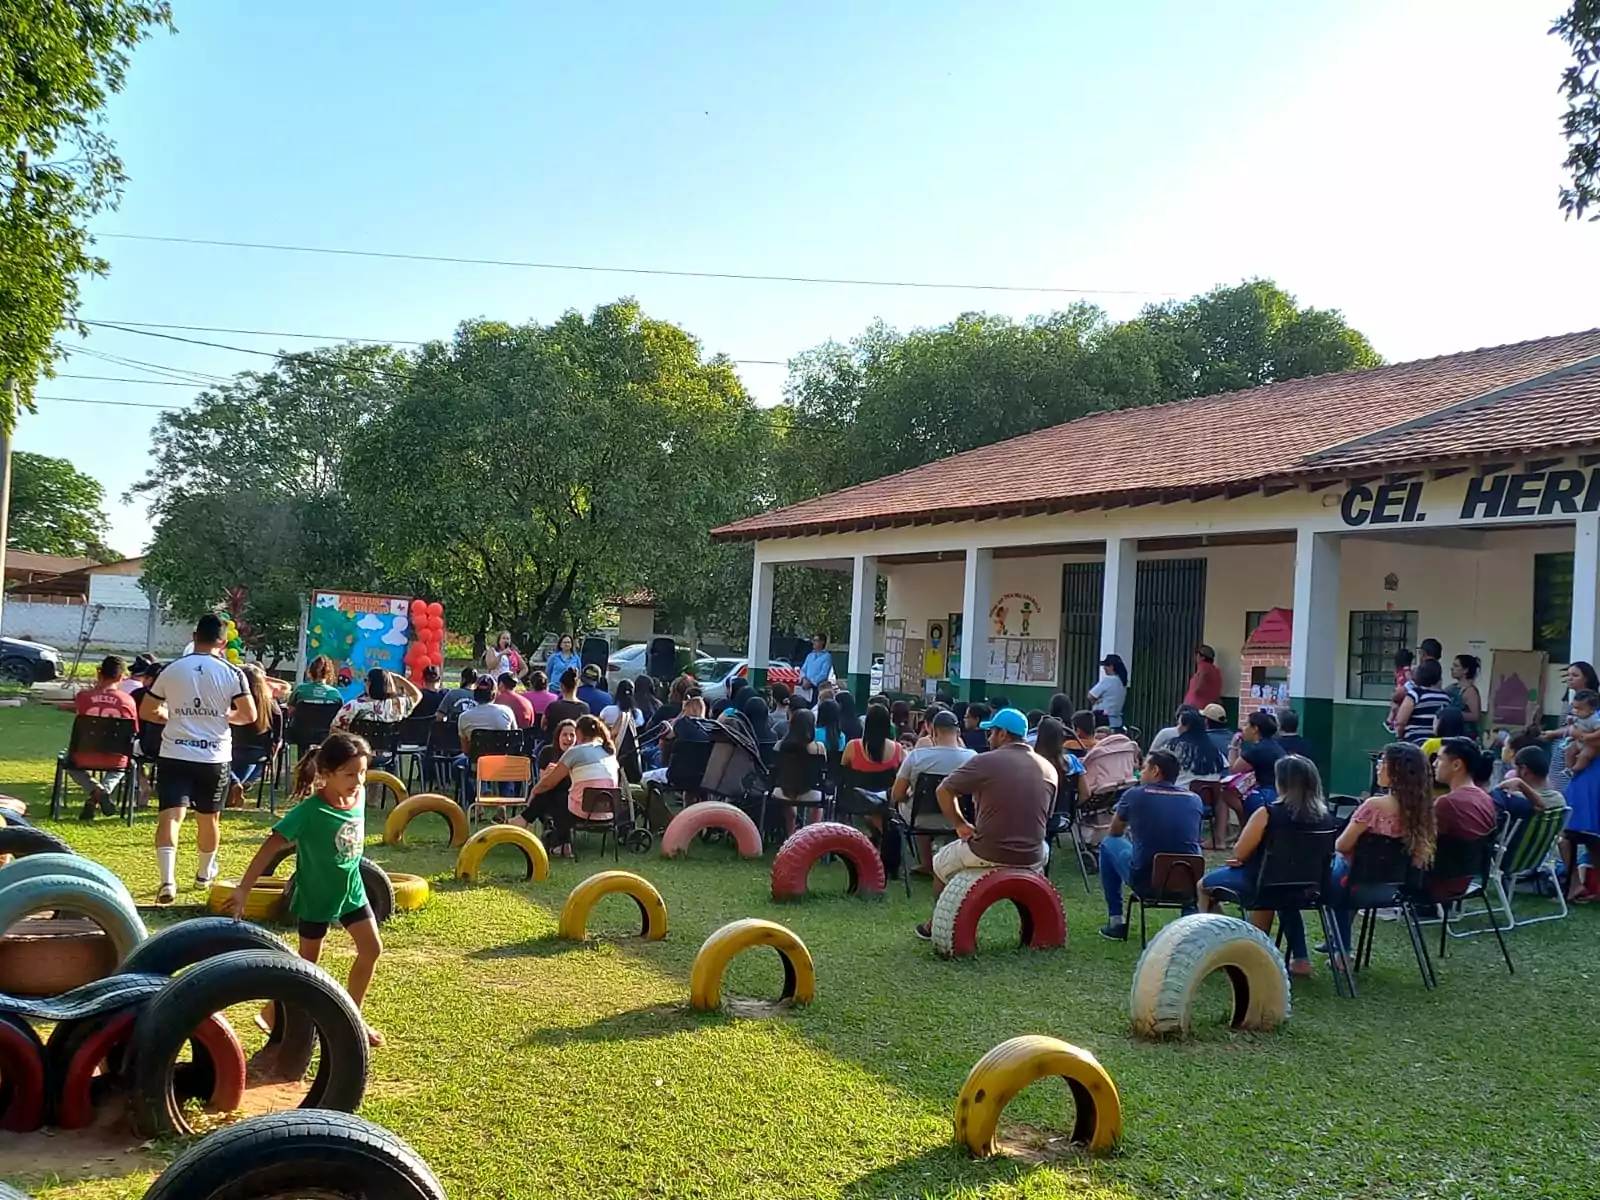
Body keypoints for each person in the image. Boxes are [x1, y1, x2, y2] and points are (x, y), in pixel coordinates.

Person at [227, 732, 385, 1047]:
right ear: (326, 774)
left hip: (351, 889)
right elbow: (268, 848)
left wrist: (358, 782)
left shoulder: (359, 796)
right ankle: (273, 1014)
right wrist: (244, 889)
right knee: (306, 965)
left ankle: (353, 1017)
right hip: (316, 895)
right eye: (350, 774)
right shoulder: (310, 811)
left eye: (363, 772)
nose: (358, 780)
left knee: (372, 949)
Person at [140, 614, 258, 904]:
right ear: (224, 641)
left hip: (175, 752)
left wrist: (170, 714)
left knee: (170, 816)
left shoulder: (171, 669)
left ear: (194, 636)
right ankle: (204, 874)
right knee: (209, 819)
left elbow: (147, 710)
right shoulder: (232, 673)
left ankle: (167, 880)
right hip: (213, 755)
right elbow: (249, 715)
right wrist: (223, 716)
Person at [912, 708, 1056, 941]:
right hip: (1034, 853)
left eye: (992, 732)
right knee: (1038, 860)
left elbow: (944, 790)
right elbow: (1045, 815)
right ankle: (1030, 928)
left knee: (939, 864)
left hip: (987, 849)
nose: (989, 738)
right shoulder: (1049, 768)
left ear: (1003, 734)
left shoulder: (985, 761)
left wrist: (960, 823)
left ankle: (934, 924)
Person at [1199, 754, 1334, 977]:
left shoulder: (1268, 813)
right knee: (1285, 894)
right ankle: (1300, 959)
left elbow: (1240, 851)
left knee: (1203, 886)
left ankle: (1228, 943)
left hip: (1263, 883)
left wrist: (1245, 858)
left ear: (1282, 782)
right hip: (1308, 887)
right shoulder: (1326, 818)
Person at [1325, 742, 1436, 965]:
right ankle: (1337, 942)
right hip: (1395, 890)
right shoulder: (1422, 810)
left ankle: (1341, 951)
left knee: (1335, 874)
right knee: (1349, 875)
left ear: (1396, 770)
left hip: (1355, 889)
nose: (1377, 767)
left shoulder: (1374, 806)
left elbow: (1342, 845)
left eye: (1382, 762)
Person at [1095, 749, 1203, 941]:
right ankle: (1190, 921)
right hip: (1187, 881)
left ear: (1155, 771)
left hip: (1147, 881)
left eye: (1144, 767)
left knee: (1108, 843)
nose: (1140, 772)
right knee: (1188, 848)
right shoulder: (1194, 799)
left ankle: (1116, 922)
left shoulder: (1134, 795)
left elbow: (1115, 832)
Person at [524, 715, 625, 858]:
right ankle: (562, 844)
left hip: (583, 812)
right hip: (608, 813)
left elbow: (548, 783)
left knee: (556, 795)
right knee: (561, 796)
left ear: (579, 733)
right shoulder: (609, 752)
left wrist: (533, 792)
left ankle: (527, 823)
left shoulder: (576, 752)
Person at [891, 709, 977, 871]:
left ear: (933, 730)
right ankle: (952, 862)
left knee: (912, 804)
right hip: (959, 820)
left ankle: (927, 863)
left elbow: (897, 794)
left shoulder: (916, 756)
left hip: (920, 818)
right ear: (958, 732)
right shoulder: (972, 758)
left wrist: (910, 796)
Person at [65, 655, 139, 821]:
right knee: (122, 767)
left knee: (70, 766)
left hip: (83, 755)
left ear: (99, 673)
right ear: (121, 677)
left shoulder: (83, 697)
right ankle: (102, 792)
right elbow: (133, 732)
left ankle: (96, 792)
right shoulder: (128, 701)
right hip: (116, 758)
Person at [1430, 736, 1499, 898]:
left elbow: (1424, 841)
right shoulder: (1485, 798)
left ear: (1456, 765)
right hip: (1467, 879)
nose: (1434, 764)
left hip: (1437, 882)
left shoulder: (1447, 803)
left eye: (1439, 759)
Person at [514, 718, 579, 846]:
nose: (568, 739)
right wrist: (552, 773)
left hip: (573, 797)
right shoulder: (548, 752)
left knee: (559, 796)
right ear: (558, 737)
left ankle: (523, 819)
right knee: (555, 793)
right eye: (565, 735)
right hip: (553, 794)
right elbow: (545, 783)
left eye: (572, 735)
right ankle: (563, 843)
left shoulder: (579, 754)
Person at [227, 663, 283, 809]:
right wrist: (271, 756)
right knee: (256, 765)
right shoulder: (273, 707)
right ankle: (239, 784)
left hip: (230, 753)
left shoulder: (230, 703)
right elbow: (277, 739)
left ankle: (233, 783)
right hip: (258, 755)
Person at [770, 708, 828, 835]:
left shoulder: (779, 746)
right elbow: (823, 770)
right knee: (819, 801)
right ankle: (814, 834)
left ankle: (790, 834)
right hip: (811, 792)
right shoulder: (818, 748)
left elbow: (775, 769)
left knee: (788, 790)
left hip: (783, 791)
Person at [1229, 710, 1284, 814]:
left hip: (1266, 794)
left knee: (1226, 793)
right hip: (1280, 791)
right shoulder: (1274, 745)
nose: (1242, 729)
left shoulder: (1256, 750)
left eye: (1246, 725)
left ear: (1255, 729)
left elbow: (1233, 769)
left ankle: (1245, 823)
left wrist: (1233, 745)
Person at [332, 668, 420, 731]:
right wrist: (397, 678)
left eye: (366, 680)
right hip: (387, 753)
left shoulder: (354, 705)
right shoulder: (397, 705)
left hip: (359, 752)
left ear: (370, 683)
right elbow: (417, 695)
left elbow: (335, 728)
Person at [842, 703, 906, 783]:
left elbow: (842, 772)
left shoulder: (852, 746)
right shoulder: (898, 749)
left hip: (855, 794)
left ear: (867, 723)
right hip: (885, 794)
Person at [1393, 659, 1452, 745]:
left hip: (1415, 742)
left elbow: (1401, 721)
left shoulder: (1415, 694)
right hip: (1436, 744)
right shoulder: (1445, 697)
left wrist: (1399, 736)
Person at [1170, 707, 1227, 788]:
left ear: (1187, 727)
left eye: (1179, 724)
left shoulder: (1176, 746)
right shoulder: (1214, 749)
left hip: (1181, 793)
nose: (1177, 728)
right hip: (1210, 796)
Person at [1081, 719, 1139, 795]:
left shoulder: (1098, 753)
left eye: (1101, 739)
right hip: (1122, 782)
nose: (1098, 741)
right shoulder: (1094, 754)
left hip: (1102, 785)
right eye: (1097, 739)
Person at [1562, 689, 1600, 777]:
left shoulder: (1595, 719)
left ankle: (1575, 769)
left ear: (1592, 709)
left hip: (1590, 745)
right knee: (1569, 750)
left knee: (1584, 756)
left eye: (1580, 709)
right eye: (1575, 708)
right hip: (1578, 741)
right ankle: (1568, 768)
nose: (1576, 711)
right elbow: (1574, 726)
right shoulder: (1580, 715)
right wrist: (1571, 722)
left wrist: (1587, 736)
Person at [545, 668, 590, 736]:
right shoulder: (585, 708)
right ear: (577, 685)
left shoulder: (552, 706)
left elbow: (543, 725)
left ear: (562, 686)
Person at [1089, 654, 1128, 730]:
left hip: (1103, 720)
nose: (1104, 668)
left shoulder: (1108, 680)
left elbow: (1090, 695)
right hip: (1117, 721)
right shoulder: (1122, 682)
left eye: (1106, 665)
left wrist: (1096, 701)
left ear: (1112, 667)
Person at [1448, 654, 1484, 728]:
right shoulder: (1451, 688)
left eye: (1456, 666)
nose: (1452, 668)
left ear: (1465, 670)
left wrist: (1452, 715)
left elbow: (1475, 716)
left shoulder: (1470, 691)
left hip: (1464, 733)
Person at [1184, 644, 1223, 710]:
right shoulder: (1216, 671)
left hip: (1197, 707)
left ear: (1202, 657)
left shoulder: (1203, 667)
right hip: (1209, 707)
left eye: (1197, 654)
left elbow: (1198, 686)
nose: (1195, 657)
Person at [1385, 648, 1416, 730]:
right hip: (1403, 691)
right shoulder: (1404, 670)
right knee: (1397, 706)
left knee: (1395, 706)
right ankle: (1393, 721)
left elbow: (1403, 680)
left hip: (1401, 690)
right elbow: (1410, 680)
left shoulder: (1401, 670)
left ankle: (1391, 720)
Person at [799, 633, 835, 703]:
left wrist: (811, 682)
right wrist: (804, 679)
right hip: (805, 687)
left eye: (816, 640)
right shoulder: (810, 656)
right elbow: (803, 669)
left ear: (822, 642)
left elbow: (824, 673)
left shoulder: (827, 656)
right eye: (813, 640)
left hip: (817, 688)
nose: (813, 643)